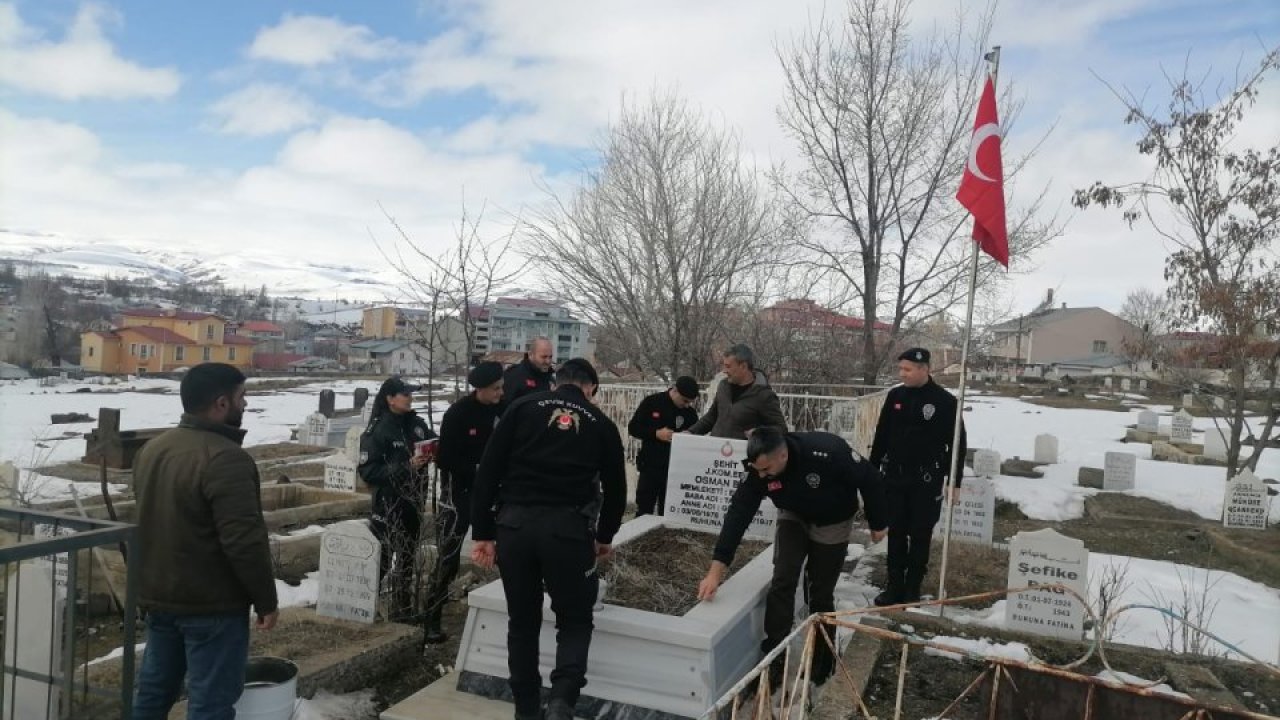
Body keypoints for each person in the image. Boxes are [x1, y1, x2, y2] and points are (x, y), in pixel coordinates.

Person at [471, 358, 627, 720]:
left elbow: (488, 471)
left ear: (555, 383)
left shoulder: (521, 407)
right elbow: (616, 490)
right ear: (590, 389)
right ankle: (561, 701)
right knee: (574, 620)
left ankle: (526, 710)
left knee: (522, 623)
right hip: (568, 531)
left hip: (515, 527)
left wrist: (483, 533)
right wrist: (604, 536)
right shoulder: (600, 423)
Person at [131, 362, 278, 720]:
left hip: (160, 596)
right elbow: (243, 541)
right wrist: (266, 600)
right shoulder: (226, 458)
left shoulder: (153, 450)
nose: (246, 404)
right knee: (211, 703)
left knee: (152, 693)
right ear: (221, 403)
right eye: (241, 396)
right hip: (212, 605)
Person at [696, 427, 886, 688]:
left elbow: (871, 479)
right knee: (783, 579)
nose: (761, 476)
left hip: (833, 519)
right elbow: (739, 513)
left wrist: (878, 522)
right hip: (793, 514)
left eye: (766, 470)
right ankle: (775, 656)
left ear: (783, 455)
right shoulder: (759, 470)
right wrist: (716, 570)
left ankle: (823, 657)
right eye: (758, 470)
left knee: (819, 591)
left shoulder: (827, 451)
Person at [869, 348, 967, 606]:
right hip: (895, 477)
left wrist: (954, 481)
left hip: (926, 480)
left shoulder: (944, 401)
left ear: (924, 369)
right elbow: (882, 434)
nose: (902, 374)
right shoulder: (896, 396)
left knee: (920, 534)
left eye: (908, 369)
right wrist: (871, 469)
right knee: (896, 533)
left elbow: (958, 444)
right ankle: (894, 585)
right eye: (900, 369)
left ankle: (913, 588)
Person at [423, 361, 504, 644]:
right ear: (480, 389)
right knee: (449, 557)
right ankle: (431, 618)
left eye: (501, 387)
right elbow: (445, 459)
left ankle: (507, 613)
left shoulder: (504, 410)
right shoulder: (458, 413)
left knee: (507, 551)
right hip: (460, 494)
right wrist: (478, 469)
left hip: (496, 492)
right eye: (495, 389)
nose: (500, 393)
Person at [358, 376, 437, 621]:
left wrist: (433, 451)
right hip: (388, 504)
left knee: (407, 559)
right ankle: (363, 606)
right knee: (383, 558)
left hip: (413, 501)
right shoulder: (378, 430)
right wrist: (406, 466)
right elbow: (368, 472)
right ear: (390, 399)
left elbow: (434, 441)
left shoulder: (416, 424)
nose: (410, 398)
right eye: (405, 394)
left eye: (411, 394)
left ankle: (401, 612)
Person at [627, 376, 700, 516]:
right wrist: (656, 434)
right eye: (685, 401)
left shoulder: (690, 414)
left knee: (668, 512)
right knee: (644, 509)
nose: (686, 405)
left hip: (675, 470)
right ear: (675, 390)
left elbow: (695, 438)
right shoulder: (652, 402)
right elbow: (634, 428)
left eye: (690, 402)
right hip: (650, 466)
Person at [687, 344, 786, 439]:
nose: (724, 371)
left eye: (728, 366)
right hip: (716, 448)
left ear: (743, 366)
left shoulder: (764, 395)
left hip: (743, 450)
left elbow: (780, 428)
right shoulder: (723, 386)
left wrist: (759, 433)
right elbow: (712, 417)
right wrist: (690, 432)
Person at [502, 336, 556, 409]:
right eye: (544, 357)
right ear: (530, 355)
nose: (548, 361)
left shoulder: (551, 380)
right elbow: (504, 409)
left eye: (550, 357)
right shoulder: (514, 376)